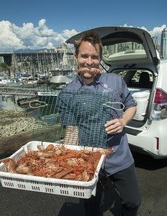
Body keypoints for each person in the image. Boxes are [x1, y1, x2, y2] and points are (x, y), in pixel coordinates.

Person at [57, 31, 141, 216]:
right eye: (84, 56)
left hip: (120, 156)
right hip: (90, 161)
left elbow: (131, 105)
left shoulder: (115, 81)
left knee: (133, 201)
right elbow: (72, 131)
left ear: (100, 58)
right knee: (92, 207)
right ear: (76, 57)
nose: (89, 61)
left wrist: (123, 121)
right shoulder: (68, 92)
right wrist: (66, 159)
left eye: (94, 57)